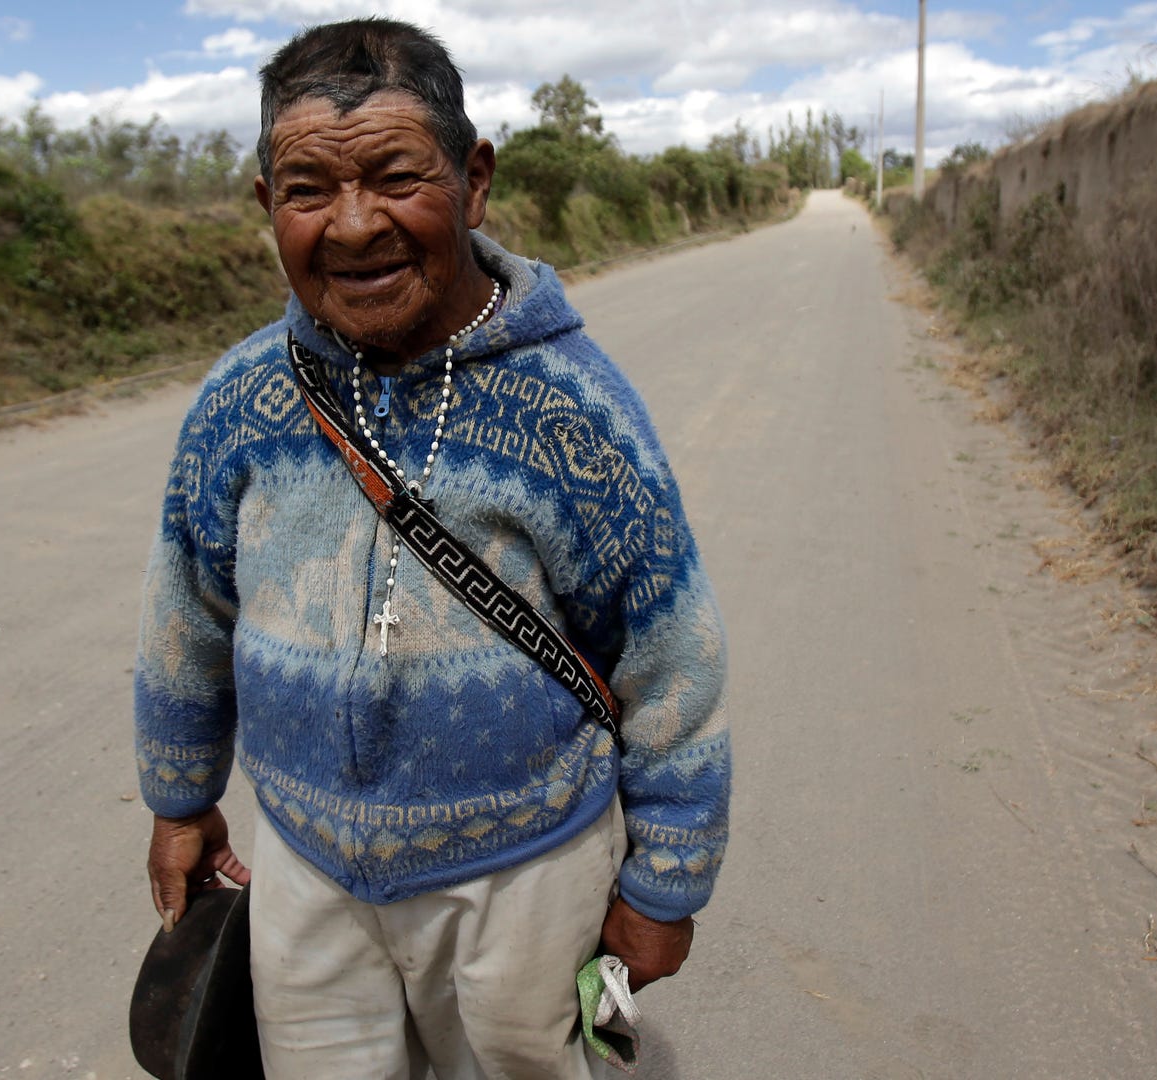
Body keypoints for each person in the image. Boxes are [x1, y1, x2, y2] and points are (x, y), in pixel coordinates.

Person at [134, 18, 730, 1078]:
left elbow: (671, 656)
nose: (355, 225)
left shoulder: (574, 410)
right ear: (267, 205)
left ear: (474, 179)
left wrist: (667, 883)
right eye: (309, 190)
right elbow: (187, 612)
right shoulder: (239, 400)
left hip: (529, 875)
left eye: (397, 178)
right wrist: (181, 801)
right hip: (308, 870)